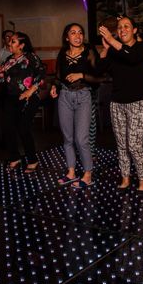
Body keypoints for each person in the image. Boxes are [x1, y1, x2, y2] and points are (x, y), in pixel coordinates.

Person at [97, 16, 143, 192]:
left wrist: (112, 40)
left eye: (127, 26)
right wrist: (106, 49)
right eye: (119, 27)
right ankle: (125, 177)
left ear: (135, 30)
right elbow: (99, 70)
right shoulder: (113, 50)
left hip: (139, 103)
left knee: (134, 144)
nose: (123, 30)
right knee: (121, 144)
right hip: (117, 103)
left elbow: (132, 58)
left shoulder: (142, 47)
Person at [50, 23, 100, 189]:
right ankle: (71, 172)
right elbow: (58, 76)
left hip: (83, 95)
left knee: (82, 139)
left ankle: (88, 174)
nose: (78, 36)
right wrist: (54, 87)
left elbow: (98, 77)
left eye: (80, 33)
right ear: (67, 37)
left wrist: (81, 75)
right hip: (64, 96)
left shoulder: (89, 52)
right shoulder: (62, 54)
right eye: (73, 33)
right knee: (68, 138)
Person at [0, 31, 45, 173]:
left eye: (13, 41)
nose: (9, 43)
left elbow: (42, 75)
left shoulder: (31, 57)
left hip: (28, 97)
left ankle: (32, 160)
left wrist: (30, 91)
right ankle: (14, 158)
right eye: (9, 41)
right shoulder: (8, 60)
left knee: (24, 128)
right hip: (11, 98)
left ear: (22, 45)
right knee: (7, 127)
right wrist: (1, 74)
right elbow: (3, 81)